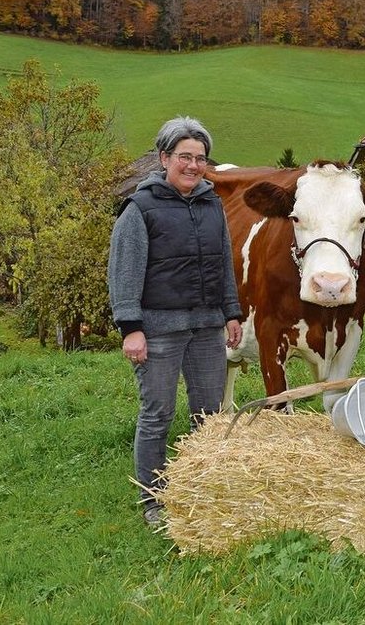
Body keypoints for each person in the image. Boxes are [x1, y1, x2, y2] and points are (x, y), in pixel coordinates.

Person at [109, 116, 244, 526]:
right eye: (184, 156)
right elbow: (124, 271)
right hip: (158, 329)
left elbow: (224, 262)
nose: (192, 165)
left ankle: (200, 487)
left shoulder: (211, 204)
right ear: (164, 157)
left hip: (206, 328)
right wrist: (131, 327)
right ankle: (153, 499)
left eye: (200, 158)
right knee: (158, 414)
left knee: (208, 413)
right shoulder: (139, 207)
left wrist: (231, 311)